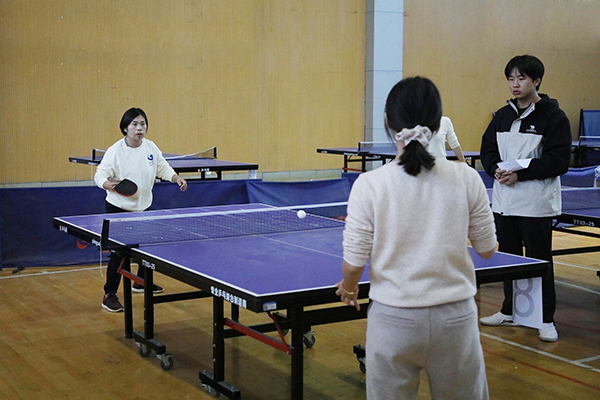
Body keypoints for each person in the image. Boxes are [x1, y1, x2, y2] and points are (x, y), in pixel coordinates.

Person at [336, 77, 497, 399]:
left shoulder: (369, 184)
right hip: (455, 318)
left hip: (393, 319)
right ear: (438, 124)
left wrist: (349, 288)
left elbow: (353, 263)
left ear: (387, 121)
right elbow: (488, 249)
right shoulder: (467, 178)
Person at [479, 55, 571, 342]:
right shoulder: (501, 116)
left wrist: (520, 175)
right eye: (511, 78)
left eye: (521, 78)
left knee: (539, 261)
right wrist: (494, 169)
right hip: (504, 204)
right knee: (508, 260)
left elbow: (558, 161)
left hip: (536, 205)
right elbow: (488, 150)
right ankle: (509, 309)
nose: (515, 84)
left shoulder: (553, 117)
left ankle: (546, 319)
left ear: (537, 81)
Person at [95, 107, 188, 312]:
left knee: (146, 249)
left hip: (143, 208)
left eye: (143, 124)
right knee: (118, 254)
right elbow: (99, 174)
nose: (139, 128)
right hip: (118, 209)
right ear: (125, 128)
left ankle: (141, 282)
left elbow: (162, 167)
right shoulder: (115, 151)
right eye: (135, 124)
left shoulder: (150, 147)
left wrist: (175, 177)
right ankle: (109, 295)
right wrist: (107, 184)